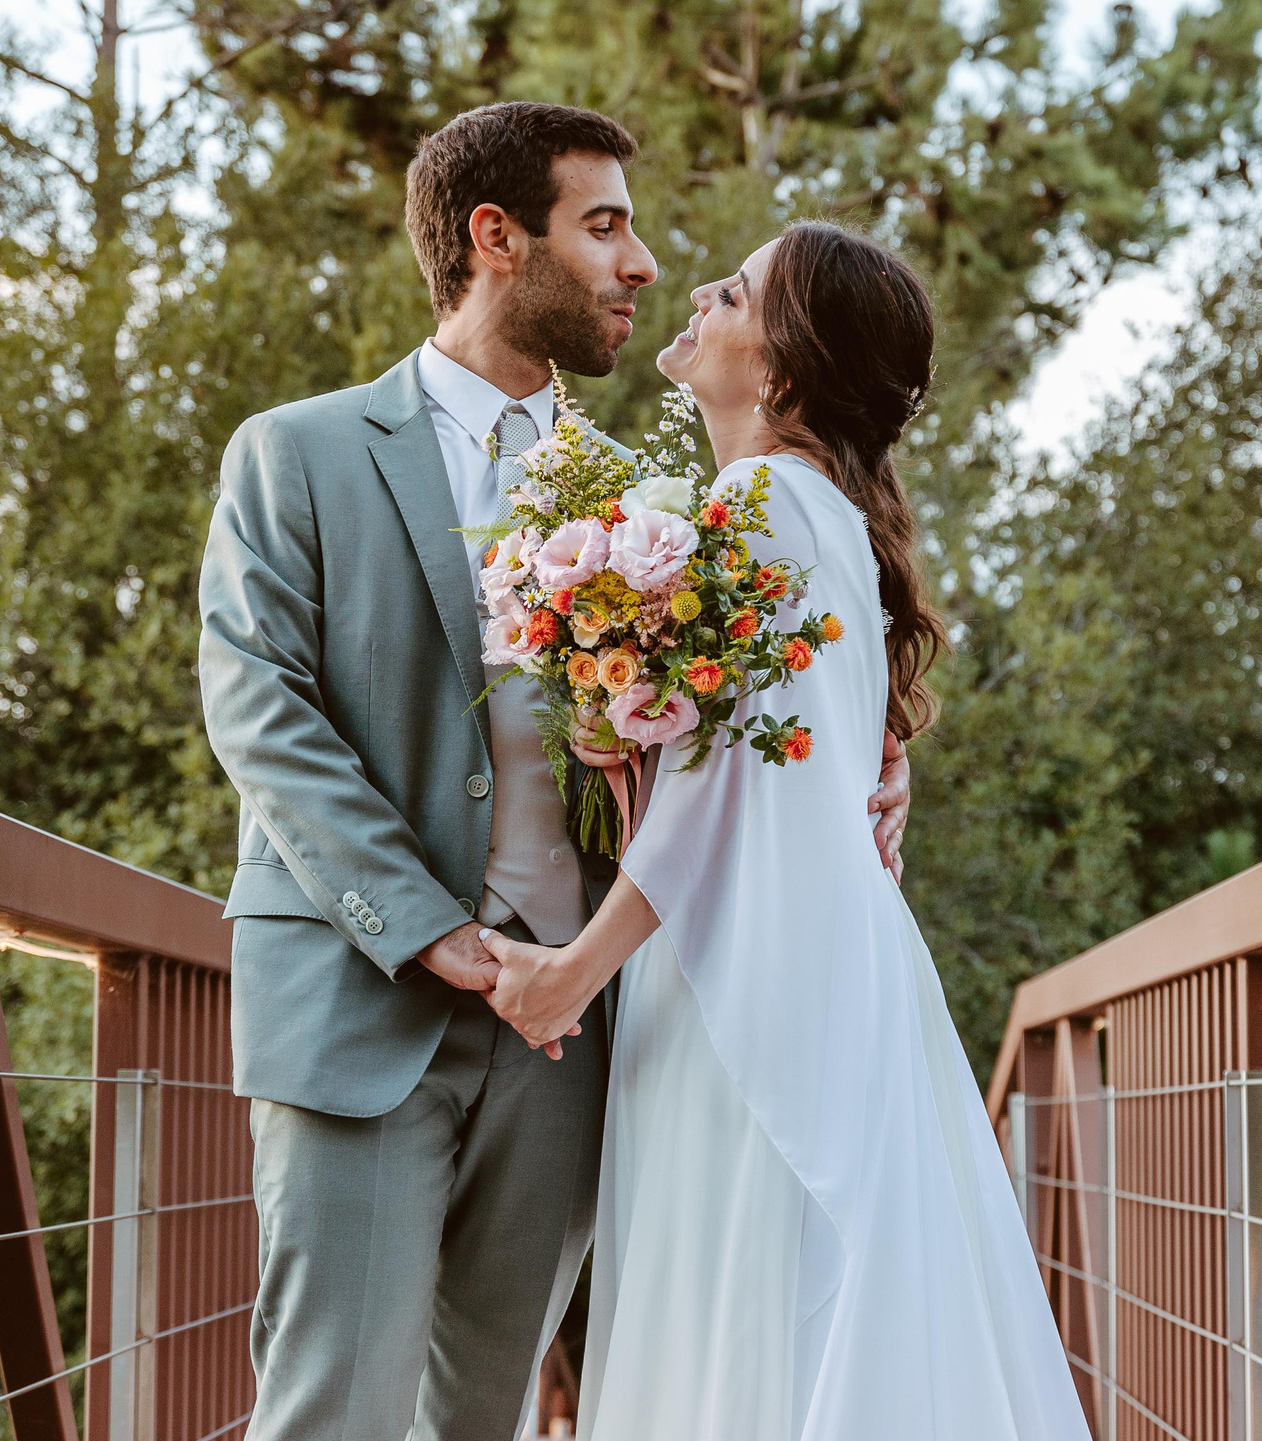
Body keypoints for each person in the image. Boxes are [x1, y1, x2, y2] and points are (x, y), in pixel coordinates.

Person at [198, 106, 916, 1439]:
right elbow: (262, 721)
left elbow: (756, 700)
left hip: (572, 1033)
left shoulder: (646, 495)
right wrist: (433, 937)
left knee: (491, 1417)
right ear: (495, 239)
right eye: (605, 225)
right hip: (363, 1006)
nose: (643, 262)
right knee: (330, 1411)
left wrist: (877, 765)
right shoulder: (295, 455)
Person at [479, 223, 1090, 1440]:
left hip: (745, 986)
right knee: (799, 1308)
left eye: (738, 291)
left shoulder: (758, 501)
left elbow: (730, 797)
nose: (700, 291)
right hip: (807, 964)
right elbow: (767, 772)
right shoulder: (814, 515)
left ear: (781, 372)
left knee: (740, 1315)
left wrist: (571, 973)